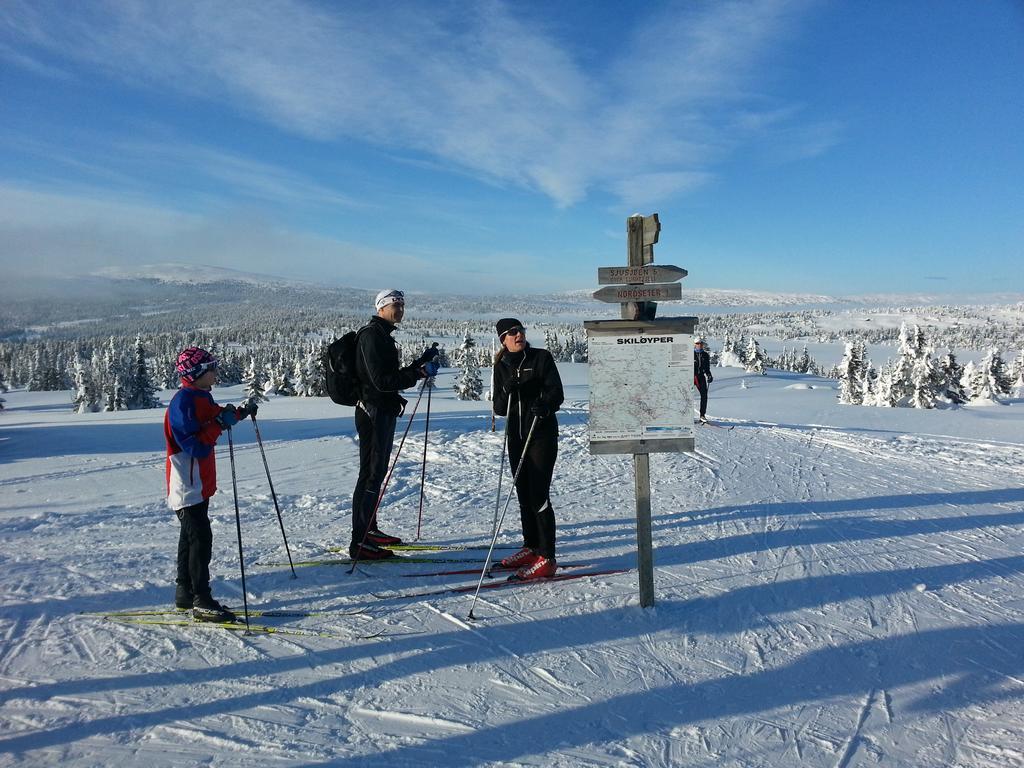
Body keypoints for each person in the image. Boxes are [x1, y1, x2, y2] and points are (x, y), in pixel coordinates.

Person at [165, 347, 258, 622]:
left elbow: (216, 416)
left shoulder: (200, 396)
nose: (216, 372)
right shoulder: (182, 403)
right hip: (186, 482)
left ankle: (185, 592)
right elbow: (195, 446)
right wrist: (219, 423)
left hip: (198, 482)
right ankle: (201, 599)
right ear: (195, 374)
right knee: (200, 539)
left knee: (190, 536)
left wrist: (238, 414)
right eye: (211, 368)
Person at [350, 289, 439, 560]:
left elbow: (388, 377)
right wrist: (418, 373)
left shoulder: (382, 335)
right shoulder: (371, 336)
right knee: (371, 473)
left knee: (376, 472)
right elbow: (381, 382)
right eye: (393, 304)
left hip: (382, 410)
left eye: (401, 304)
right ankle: (360, 541)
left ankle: (369, 530)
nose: (399, 308)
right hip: (373, 412)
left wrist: (418, 364)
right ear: (381, 307)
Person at [491, 318, 564, 580]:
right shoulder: (501, 365)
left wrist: (546, 405)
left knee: (538, 495)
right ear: (503, 339)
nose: (518, 334)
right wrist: (507, 390)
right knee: (522, 492)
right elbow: (499, 408)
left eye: (520, 330)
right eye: (512, 332)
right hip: (516, 436)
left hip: (540, 435)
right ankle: (531, 546)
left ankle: (547, 556)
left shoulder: (541, 358)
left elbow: (556, 392)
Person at [694, 337, 713, 423]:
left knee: (704, 395)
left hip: (700, 376)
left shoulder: (705, 355)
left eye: (701, 343)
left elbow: (707, 368)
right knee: (686, 395)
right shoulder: (690, 354)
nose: (699, 345)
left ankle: (702, 415)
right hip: (691, 376)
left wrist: (709, 375)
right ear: (695, 344)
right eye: (698, 343)